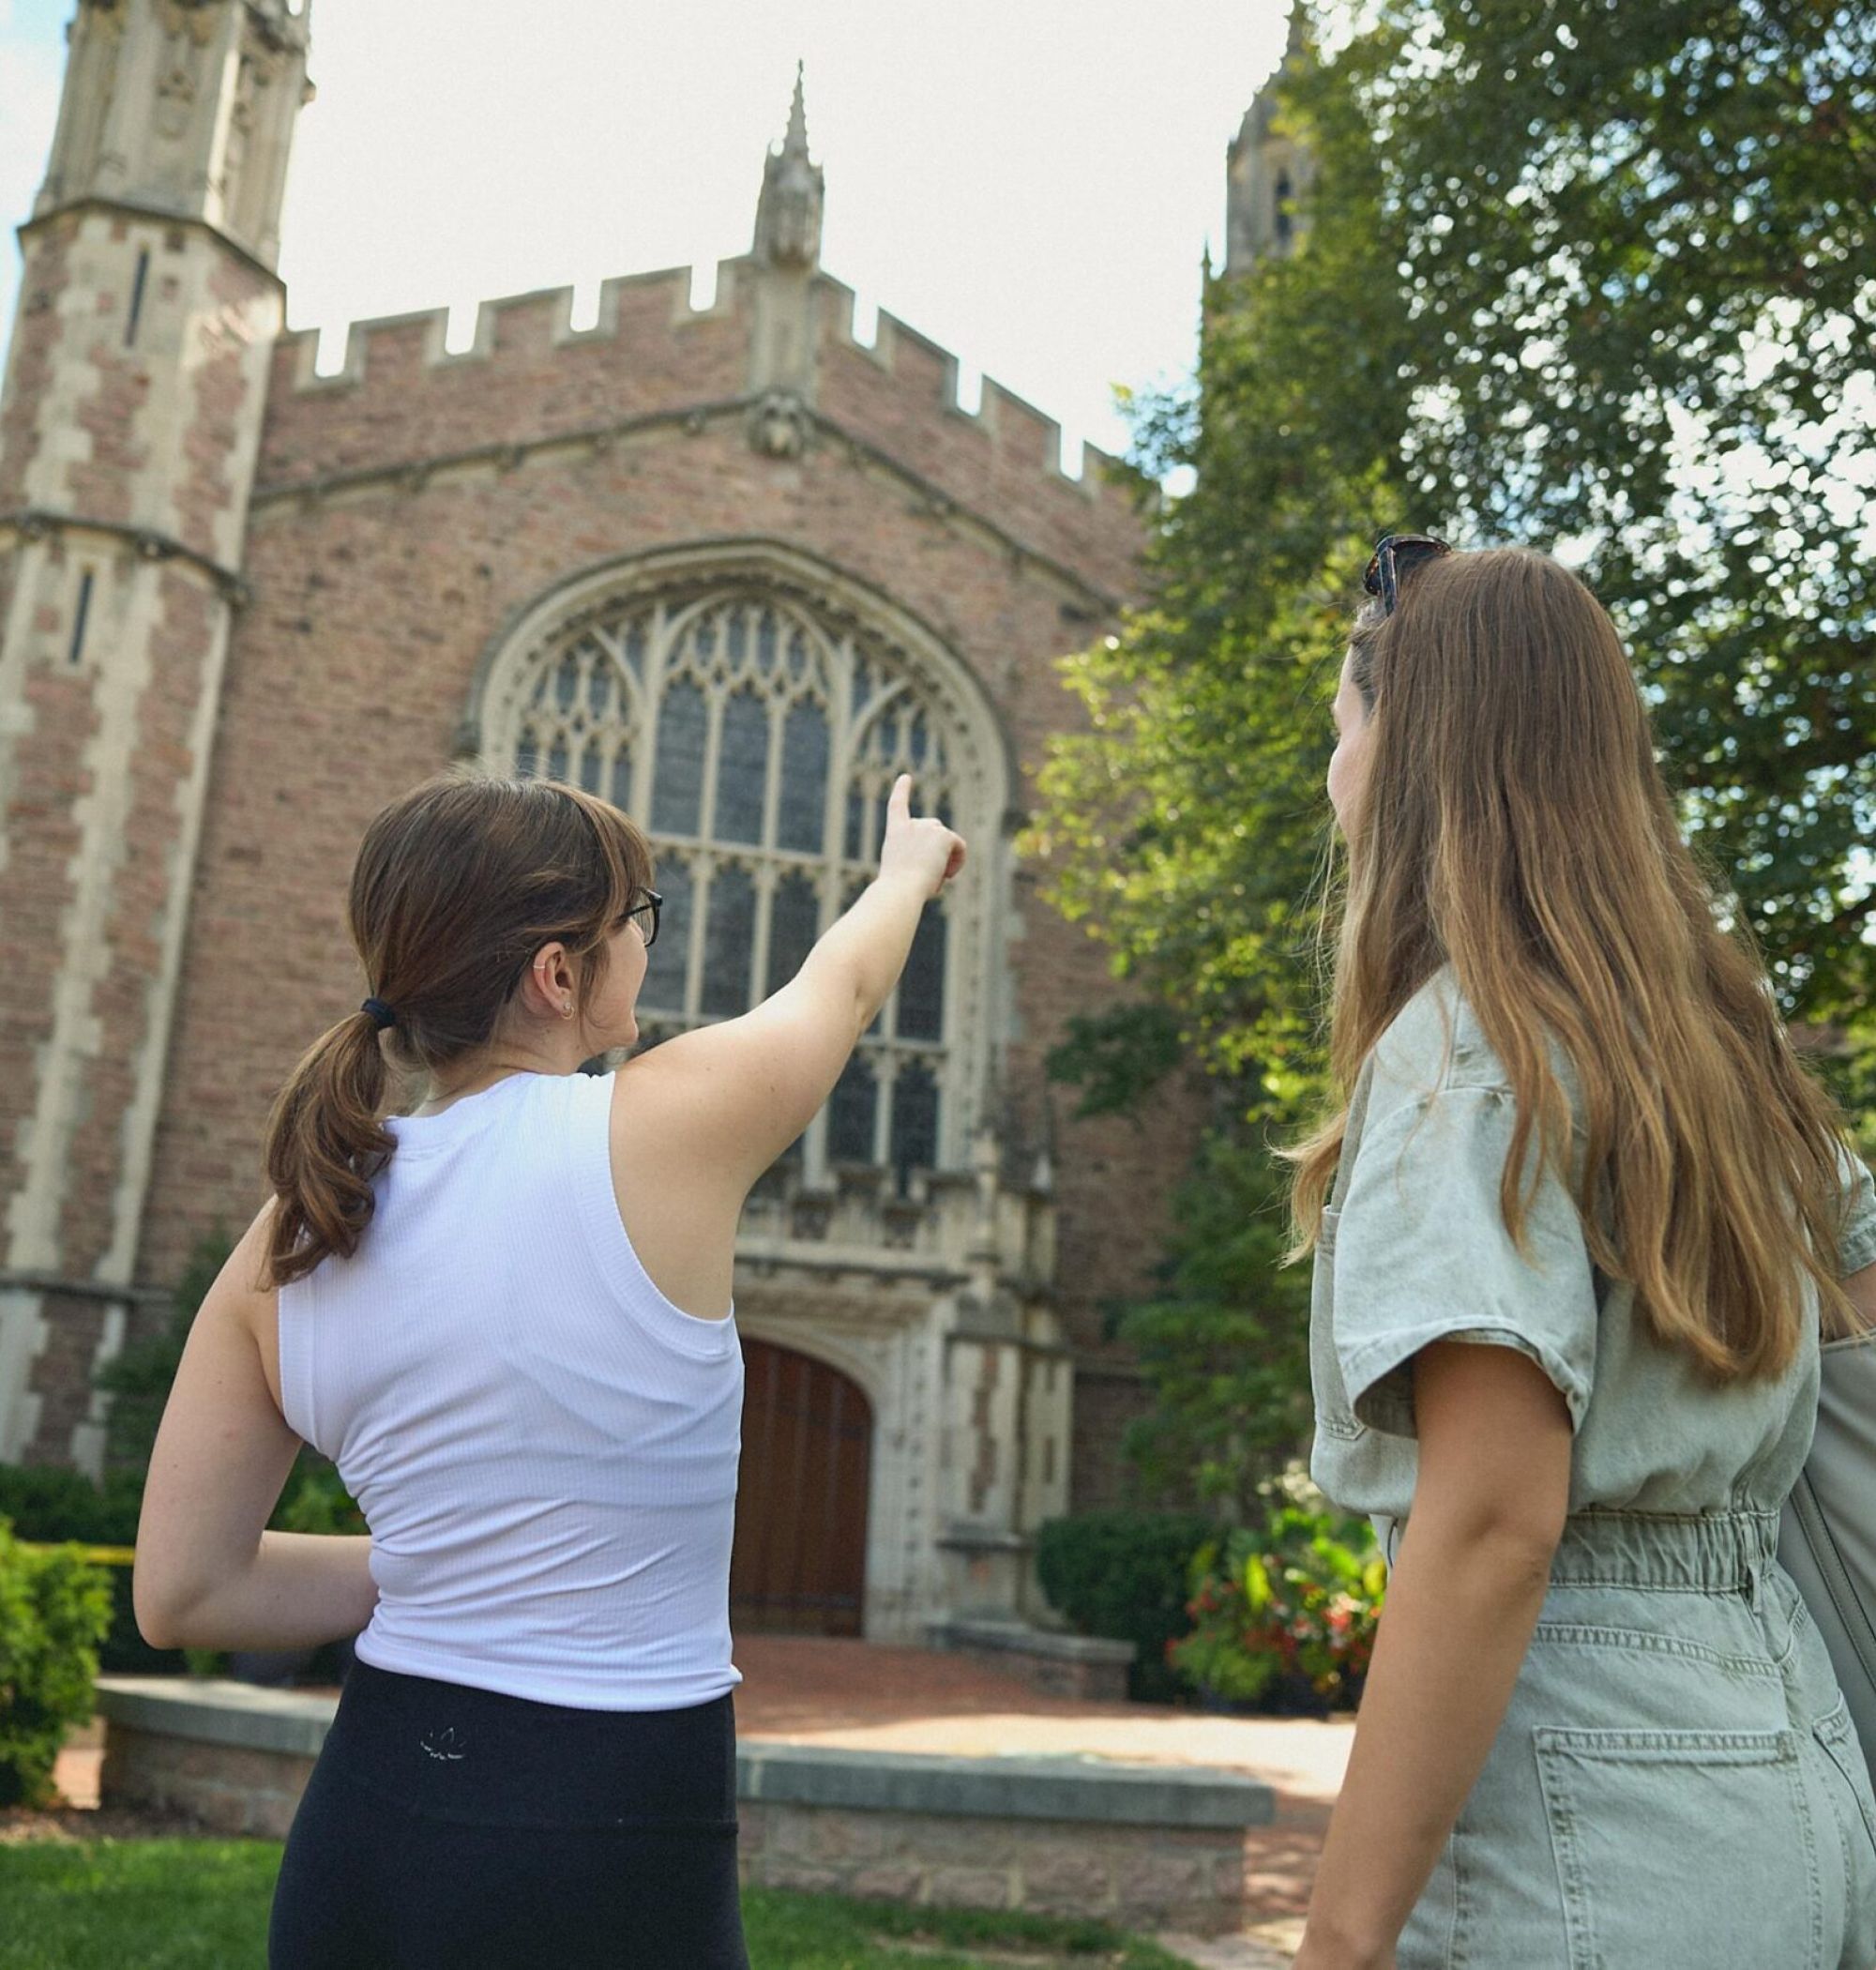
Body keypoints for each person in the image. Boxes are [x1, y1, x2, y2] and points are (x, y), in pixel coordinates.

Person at [131, 766, 965, 1969]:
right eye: (638, 918)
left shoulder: (290, 1235)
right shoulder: (667, 1118)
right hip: (611, 1839)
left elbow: (185, 1596)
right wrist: (903, 873)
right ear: (556, 973)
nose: (645, 945)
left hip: (365, 1834)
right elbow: (840, 982)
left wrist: (449, 1561)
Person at [1288, 537, 1876, 1970]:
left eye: (1345, 725)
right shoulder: (1721, 1052)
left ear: (1413, 747)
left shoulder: (1465, 1051)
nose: (1333, 773)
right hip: (1789, 1773)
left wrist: (1338, 1947)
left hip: (1587, 1812)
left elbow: (1495, 1524)